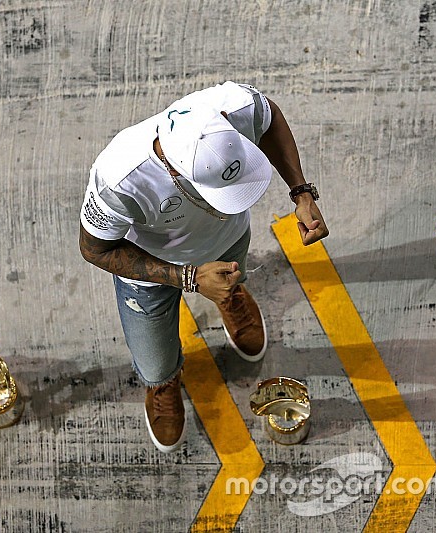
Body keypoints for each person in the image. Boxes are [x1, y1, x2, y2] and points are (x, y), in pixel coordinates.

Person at [78, 81, 328, 453]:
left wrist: (301, 192)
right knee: (155, 362)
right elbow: (95, 250)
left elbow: (270, 116)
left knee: (233, 279)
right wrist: (189, 278)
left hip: (228, 241)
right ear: (176, 174)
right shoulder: (119, 180)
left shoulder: (229, 107)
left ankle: (230, 299)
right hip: (151, 274)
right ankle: (163, 385)